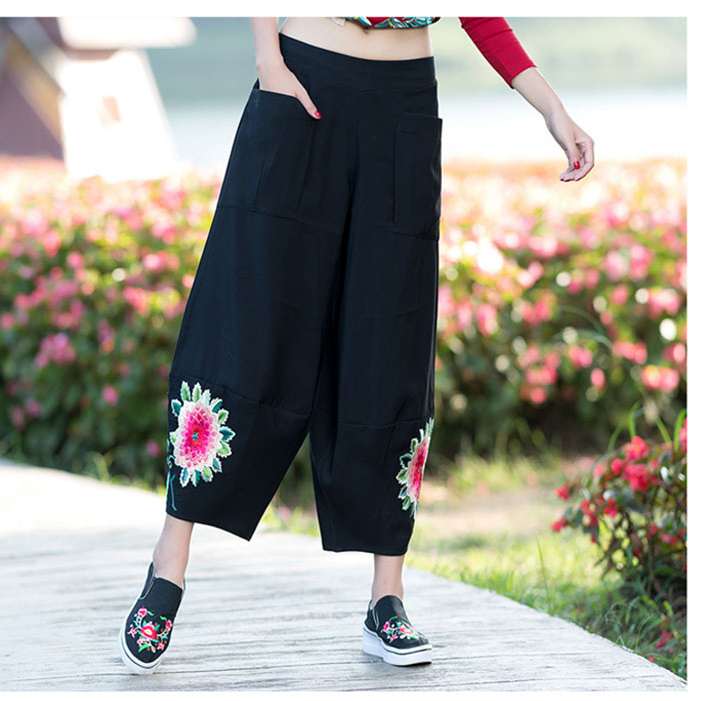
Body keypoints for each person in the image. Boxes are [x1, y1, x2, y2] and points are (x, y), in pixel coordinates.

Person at [118, 16, 595, 674]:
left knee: (389, 337)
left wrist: (552, 108)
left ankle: (386, 599)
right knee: (248, 316)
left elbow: (478, 12)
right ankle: (168, 565)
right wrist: (268, 61)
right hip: (303, 79)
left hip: (403, 100)